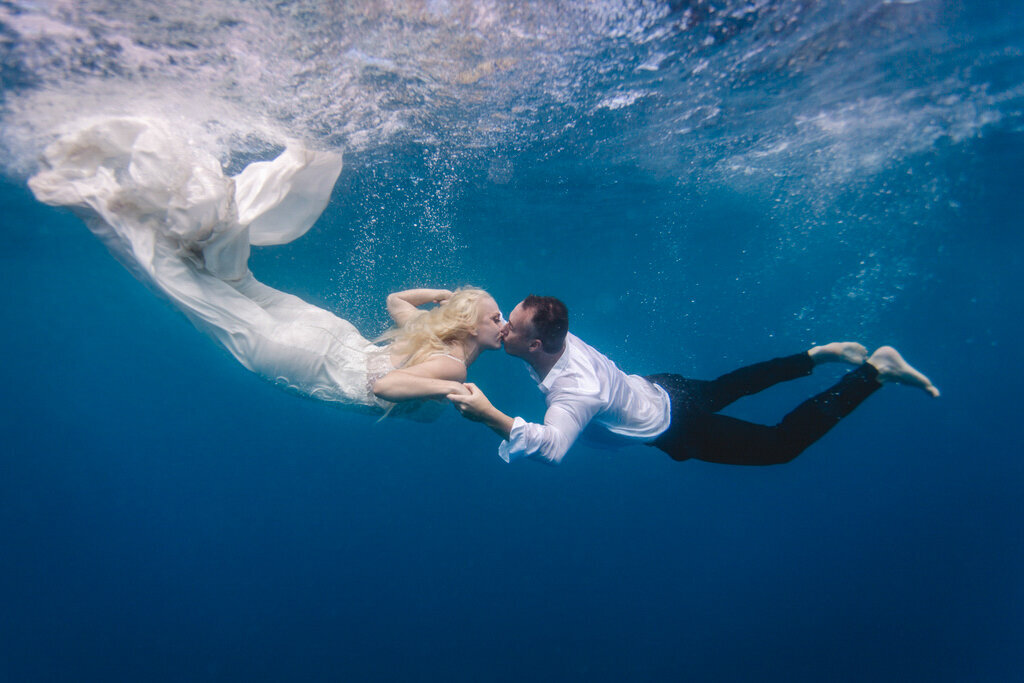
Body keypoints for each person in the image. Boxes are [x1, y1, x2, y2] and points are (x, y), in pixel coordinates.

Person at [27, 116, 502, 419]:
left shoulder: (428, 333)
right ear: (471, 326)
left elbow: (394, 300)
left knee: (226, 276)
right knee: (187, 288)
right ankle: (93, 194)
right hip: (304, 356)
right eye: (495, 318)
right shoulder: (451, 365)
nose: (500, 326)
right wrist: (447, 392)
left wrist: (443, 295)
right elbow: (384, 384)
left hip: (324, 333)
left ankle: (156, 183)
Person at [448, 295, 940, 465]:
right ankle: (817, 355)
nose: (502, 327)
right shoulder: (552, 330)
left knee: (781, 446)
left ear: (536, 345)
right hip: (663, 387)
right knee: (731, 385)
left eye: (508, 325)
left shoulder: (575, 390)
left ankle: (875, 371)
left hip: (675, 426)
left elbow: (553, 448)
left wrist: (489, 414)